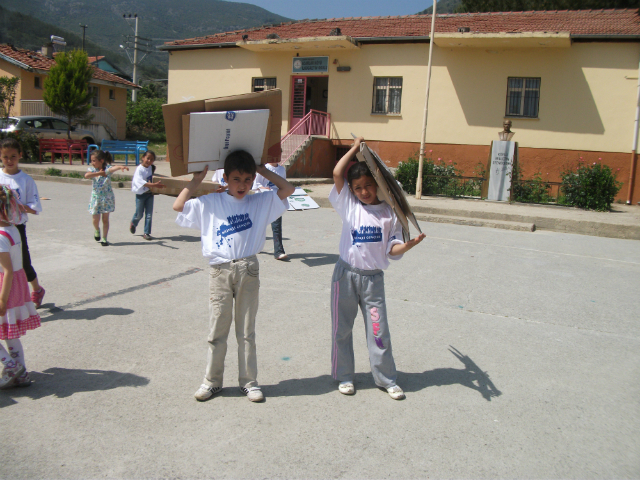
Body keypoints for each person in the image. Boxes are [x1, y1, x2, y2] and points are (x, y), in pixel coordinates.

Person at [173, 150, 294, 403]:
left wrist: (262, 170)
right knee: (217, 329)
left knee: (246, 331)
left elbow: (287, 189)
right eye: (236, 179)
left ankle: (249, 382)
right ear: (225, 178)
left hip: (248, 268)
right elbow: (179, 206)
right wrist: (196, 180)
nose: (242, 185)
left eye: (248, 179)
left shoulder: (259, 201)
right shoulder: (210, 202)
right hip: (220, 270)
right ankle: (212, 381)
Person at [329, 137, 426, 400]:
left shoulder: (389, 213)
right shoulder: (349, 205)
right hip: (345, 276)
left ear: (377, 186)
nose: (363, 192)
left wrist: (408, 246)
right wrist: (355, 147)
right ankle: (345, 376)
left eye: (368, 186)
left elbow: (391, 250)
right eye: (358, 187)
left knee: (378, 331)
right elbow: (338, 172)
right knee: (342, 329)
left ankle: (386, 379)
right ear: (351, 190)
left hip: (373, 281)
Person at [0, 185, 41, 388]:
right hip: (17, 287)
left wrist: (1, 299)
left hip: (4, 289)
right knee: (11, 334)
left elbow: (6, 270)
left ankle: (10, 364)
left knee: (7, 333)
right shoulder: (13, 230)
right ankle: (21, 373)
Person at [0, 138, 45, 308]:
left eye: (13, 156)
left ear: (20, 155)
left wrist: (18, 206)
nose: (9, 161)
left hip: (16, 228)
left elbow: (35, 207)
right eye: (5, 157)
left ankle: (36, 289)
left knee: (22, 263)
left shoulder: (26, 180)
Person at [84, 150, 129, 246]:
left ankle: (104, 238)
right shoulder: (92, 170)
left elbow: (113, 169)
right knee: (95, 219)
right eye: (91, 160)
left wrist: (120, 167)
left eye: (94, 160)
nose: (92, 162)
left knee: (105, 219)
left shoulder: (107, 169)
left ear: (101, 160)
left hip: (107, 198)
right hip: (96, 198)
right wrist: (99, 174)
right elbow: (87, 175)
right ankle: (97, 230)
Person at [253, 162, 289, 260]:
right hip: (263, 199)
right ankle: (256, 246)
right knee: (260, 224)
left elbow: (284, 184)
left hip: (276, 199)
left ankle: (278, 251)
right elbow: (256, 183)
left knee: (276, 226)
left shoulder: (282, 169)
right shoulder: (264, 168)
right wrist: (262, 187)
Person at [129, 150, 164, 240]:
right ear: (143, 158)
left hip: (149, 194)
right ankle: (133, 223)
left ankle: (146, 233)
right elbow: (141, 182)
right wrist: (154, 185)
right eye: (148, 158)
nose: (149, 161)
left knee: (149, 215)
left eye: (152, 159)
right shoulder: (139, 169)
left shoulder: (151, 168)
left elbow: (153, 178)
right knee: (139, 214)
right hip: (141, 194)